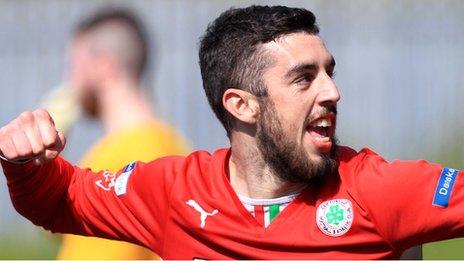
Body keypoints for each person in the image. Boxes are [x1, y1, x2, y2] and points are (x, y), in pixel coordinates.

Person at [0, 5, 461, 259]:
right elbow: (59, 200)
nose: (333, 92)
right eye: (304, 78)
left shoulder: (376, 190)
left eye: (329, 72)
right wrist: (24, 162)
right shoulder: (173, 194)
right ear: (242, 106)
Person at [40, 8, 190, 259]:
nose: (69, 80)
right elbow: (61, 225)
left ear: (103, 67)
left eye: (74, 65)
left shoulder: (131, 156)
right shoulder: (165, 143)